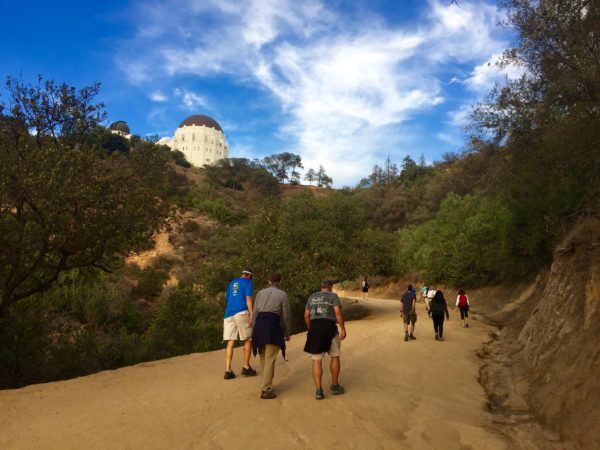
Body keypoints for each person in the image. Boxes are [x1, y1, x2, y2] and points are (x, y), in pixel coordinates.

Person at [304, 280, 347, 400]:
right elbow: (337, 313)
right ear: (331, 287)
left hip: (315, 328)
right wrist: (343, 328)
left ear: (321, 287)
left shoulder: (312, 296)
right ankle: (334, 386)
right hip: (330, 328)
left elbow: (306, 315)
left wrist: (310, 329)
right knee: (335, 356)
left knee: (316, 360)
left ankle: (318, 390)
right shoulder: (333, 296)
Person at [251, 273, 292, 399]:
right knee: (270, 358)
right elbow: (286, 315)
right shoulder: (283, 295)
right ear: (280, 281)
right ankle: (266, 389)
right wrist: (287, 332)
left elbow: (254, 313)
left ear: (268, 281)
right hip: (272, 326)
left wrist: (254, 331)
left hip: (259, 326)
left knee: (263, 356)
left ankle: (265, 384)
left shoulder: (260, 293)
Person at [223, 269, 256, 379]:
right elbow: (248, 298)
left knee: (230, 341)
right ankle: (246, 367)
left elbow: (228, 297)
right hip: (241, 312)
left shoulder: (232, 282)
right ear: (248, 275)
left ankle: (228, 370)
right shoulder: (247, 283)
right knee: (247, 339)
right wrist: (251, 314)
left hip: (229, 313)